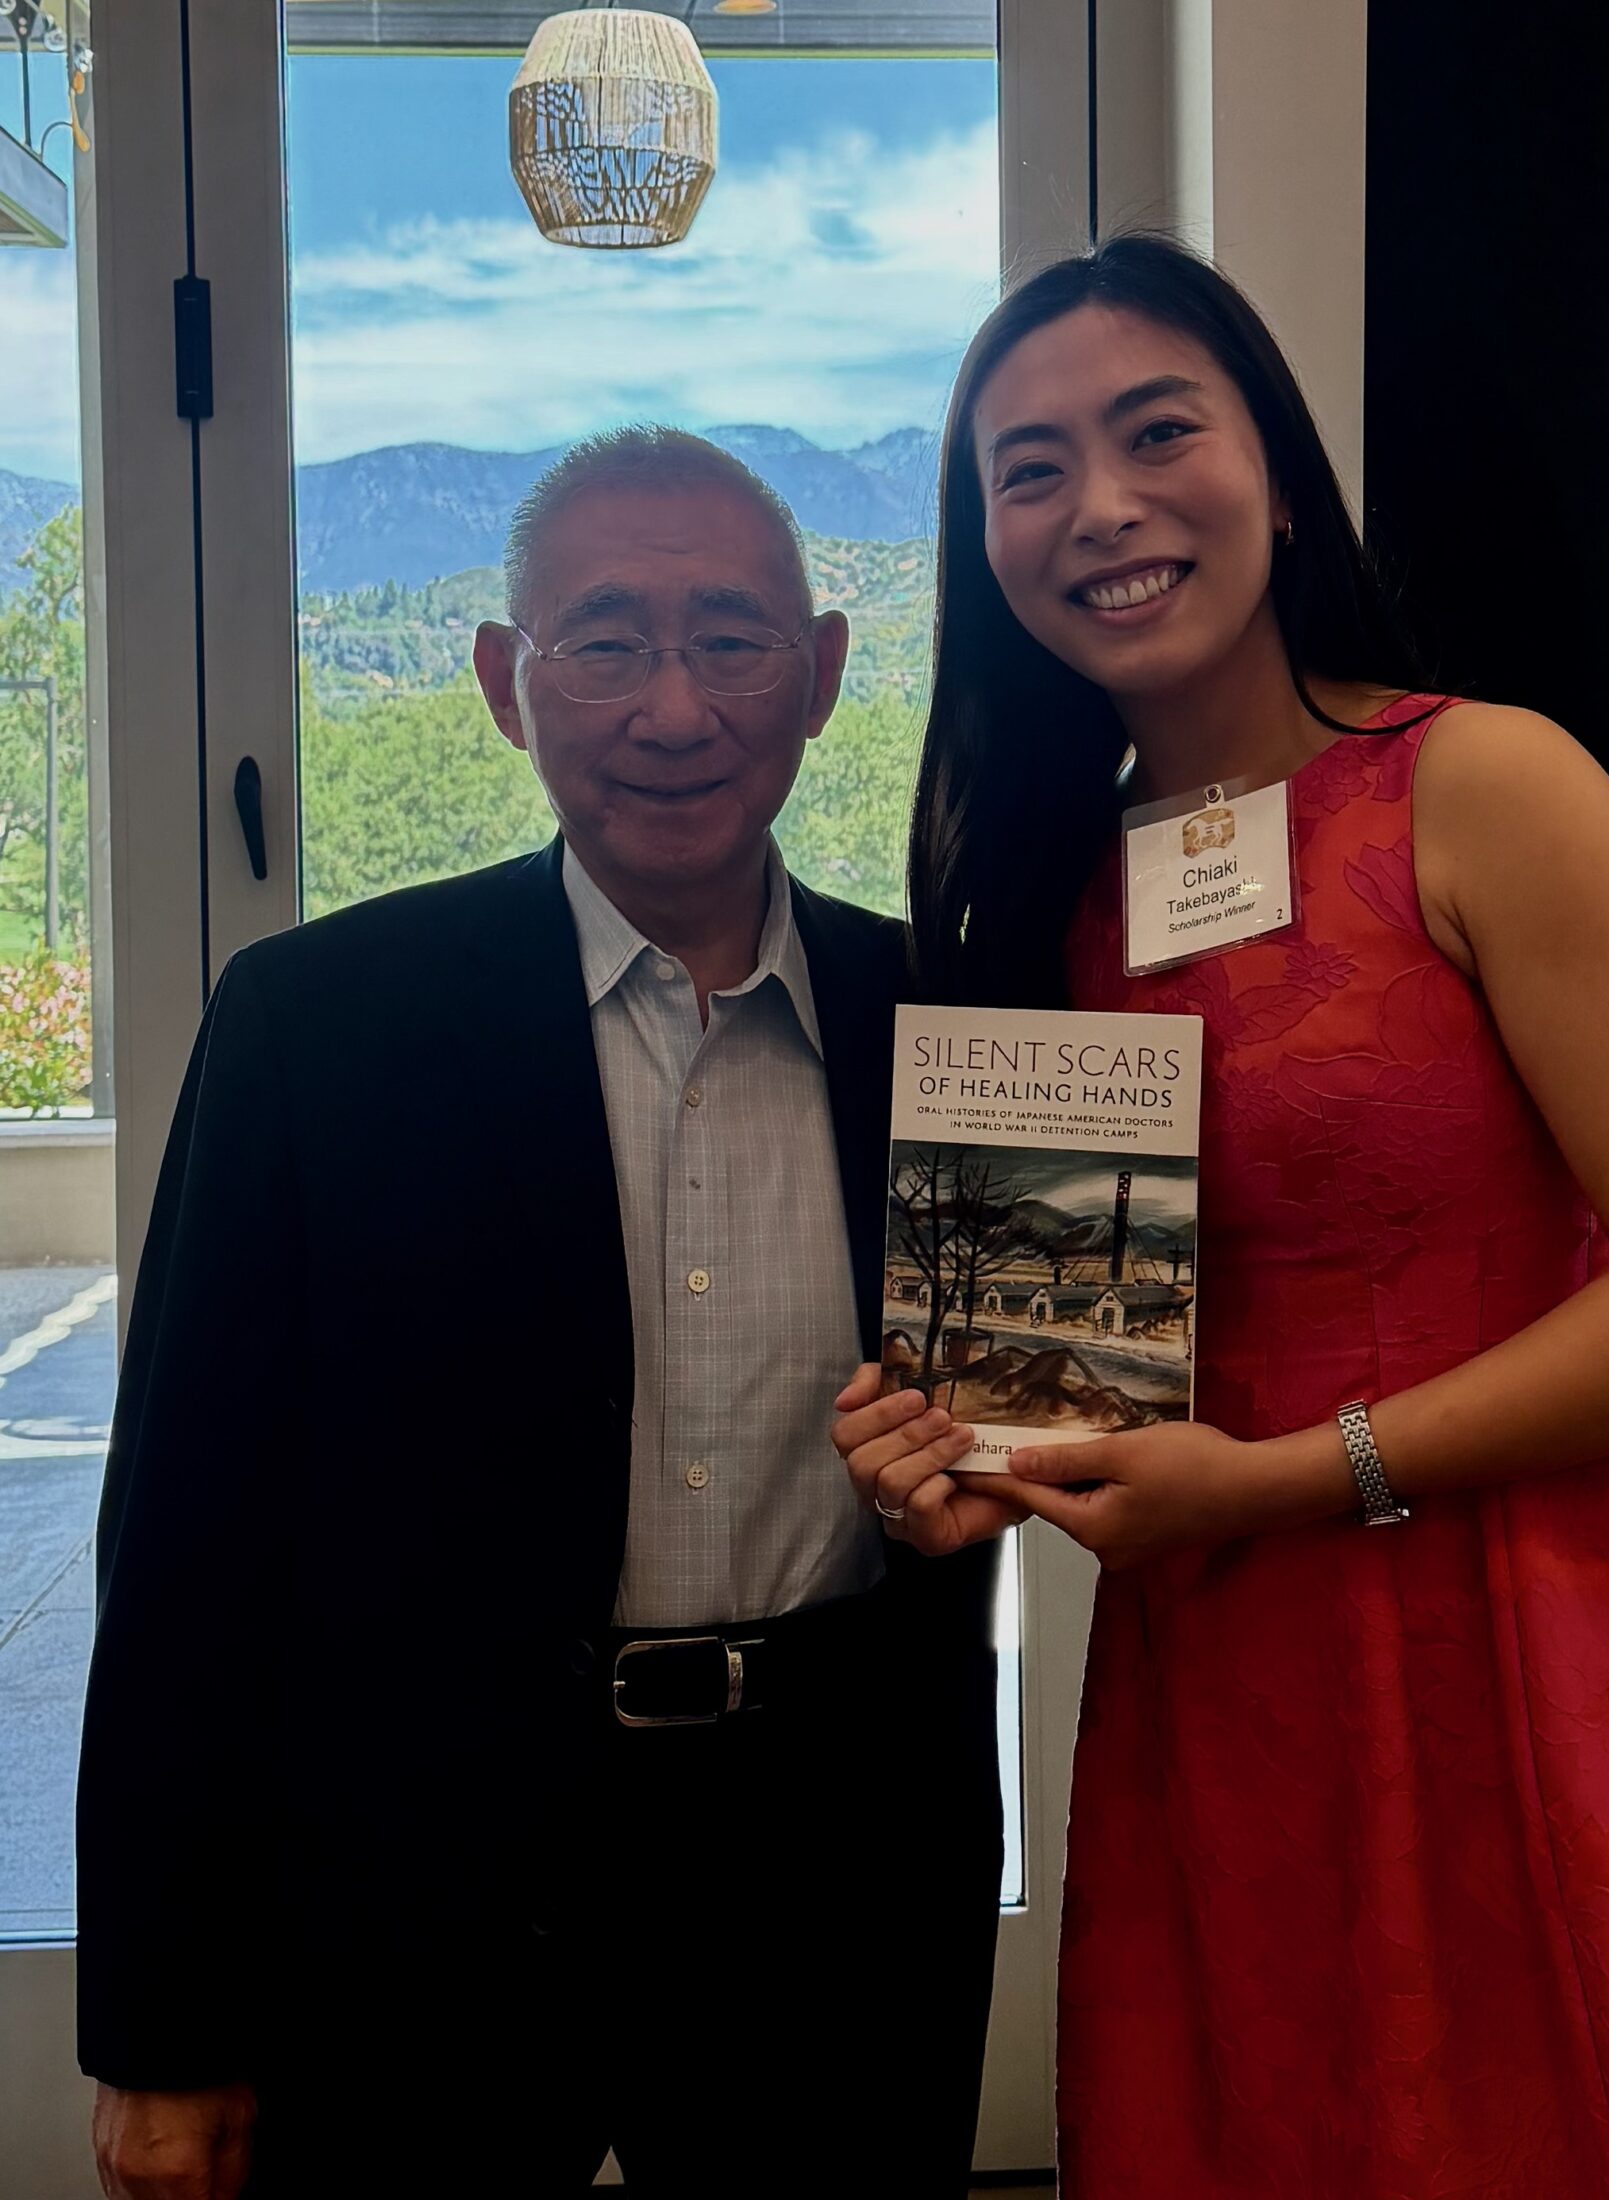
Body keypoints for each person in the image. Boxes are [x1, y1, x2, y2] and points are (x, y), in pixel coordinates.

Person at [831, 234, 1609, 2197]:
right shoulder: (1045, 890)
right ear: (984, 541)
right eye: (1030, 468)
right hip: (1230, 1677)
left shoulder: (1482, 787)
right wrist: (969, 1461)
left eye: (1159, 431)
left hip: (1535, 1636)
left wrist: (1280, 1480)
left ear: (1281, 468)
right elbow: (1077, 1369)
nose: (1105, 505)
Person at [80, 429, 999, 2198]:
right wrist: (159, 2022)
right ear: (507, 685)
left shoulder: (948, 1030)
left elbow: (1029, 1425)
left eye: (733, 642)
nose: (674, 707)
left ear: (819, 676)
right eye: (605, 641)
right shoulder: (313, 1029)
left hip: (842, 1882)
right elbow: (188, 1542)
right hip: (425, 1886)